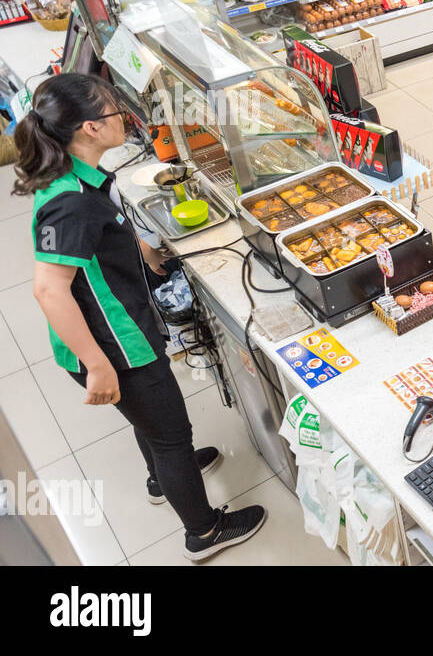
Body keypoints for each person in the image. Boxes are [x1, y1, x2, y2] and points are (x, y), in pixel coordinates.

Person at [13, 73, 266, 562]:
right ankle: (204, 531)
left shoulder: (76, 178)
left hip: (115, 333)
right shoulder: (70, 204)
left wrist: (145, 257)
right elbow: (49, 290)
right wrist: (100, 365)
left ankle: (162, 477)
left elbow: (95, 255)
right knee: (172, 434)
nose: (122, 119)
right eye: (112, 111)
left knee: (151, 424)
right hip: (114, 346)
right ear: (88, 128)